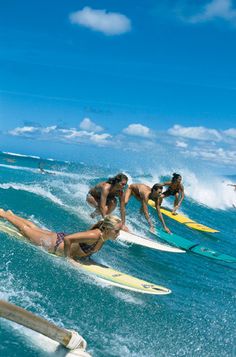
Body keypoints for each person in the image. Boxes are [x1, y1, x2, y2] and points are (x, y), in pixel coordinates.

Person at [0, 209, 122, 260]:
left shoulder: (102, 237)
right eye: (116, 230)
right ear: (107, 229)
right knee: (25, 230)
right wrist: (69, 258)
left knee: (34, 228)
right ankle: (4, 214)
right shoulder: (94, 235)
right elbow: (69, 239)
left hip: (58, 239)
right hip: (53, 244)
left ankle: (12, 215)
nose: (118, 233)